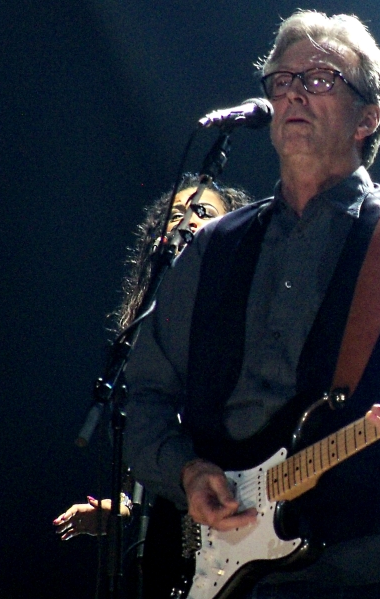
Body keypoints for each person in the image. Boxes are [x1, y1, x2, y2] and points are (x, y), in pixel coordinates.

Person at [123, 9, 380, 599]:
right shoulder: (212, 247)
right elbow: (145, 392)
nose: (292, 92)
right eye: (281, 79)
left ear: (366, 118)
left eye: (318, 79)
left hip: (351, 564)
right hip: (209, 560)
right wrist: (186, 472)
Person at [53, 174, 252, 540]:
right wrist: (123, 507)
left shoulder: (248, 310)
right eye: (175, 214)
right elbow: (144, 457)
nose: (186, 219)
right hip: (177, 542)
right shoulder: (146, 331)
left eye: (203, 211)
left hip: (242, 511)